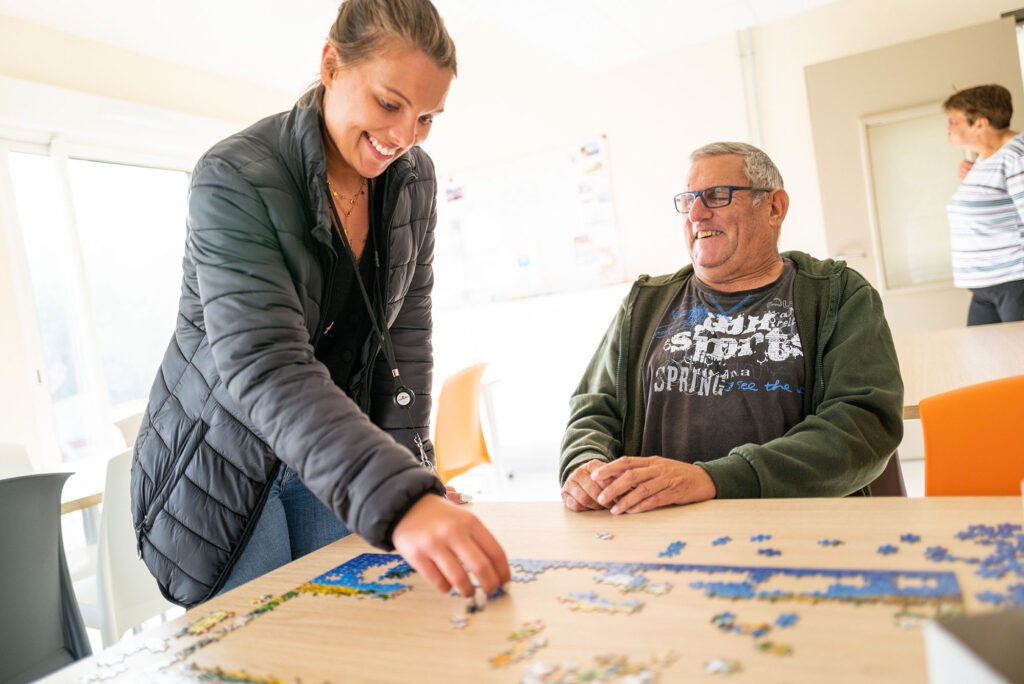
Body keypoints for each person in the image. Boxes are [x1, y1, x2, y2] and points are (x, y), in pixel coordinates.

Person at [130, 0, 509, 608]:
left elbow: (404, 340)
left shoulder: (414, 179)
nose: (404, 137)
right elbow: (264, 363)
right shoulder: (233, 175)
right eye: (389, 104)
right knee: (268, 644)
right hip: (221, 461)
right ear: (332, 65)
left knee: (358, 628)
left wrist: (411, 471)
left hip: (334, 449)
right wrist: (396, 496)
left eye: (426, 118)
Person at [559, 142, 904, 515]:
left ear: (774, 207)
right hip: (659, 527)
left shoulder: (838, 294)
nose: (696, 214)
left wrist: (715, 479)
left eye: (717, 196)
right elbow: (594, 406)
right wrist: (584, 461)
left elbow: (863, 424)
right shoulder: (644, 303)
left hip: (800, 525)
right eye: (688, 200)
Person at [944, 84, 1024, 325]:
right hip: (986, 287)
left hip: (1015, 283)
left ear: (980, 123)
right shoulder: (985, 160)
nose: (948, 127)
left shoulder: (1016, 157)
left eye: (954, 121)